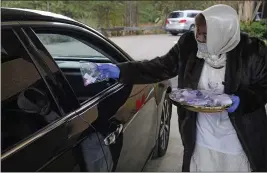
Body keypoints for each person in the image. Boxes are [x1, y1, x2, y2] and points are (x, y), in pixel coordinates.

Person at [97, 4, 267, 172]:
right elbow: (161, 67)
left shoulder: (252, 51)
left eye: (206, 34)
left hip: (239, 136)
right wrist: (122, 70)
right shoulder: (189, 45)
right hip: (201, 133)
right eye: (197, 31)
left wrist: (242, 100)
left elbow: (264, 86)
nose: (199, 38)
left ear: (223, 33)